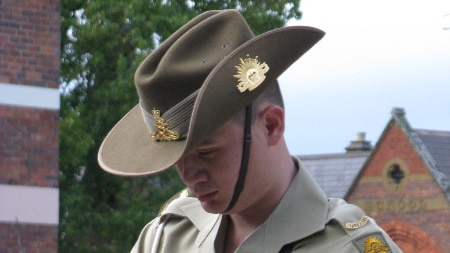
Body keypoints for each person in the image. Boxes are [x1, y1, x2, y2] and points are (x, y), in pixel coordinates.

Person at [98, 9, 402, 253]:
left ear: (271, 125)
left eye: (206, 152)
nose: (189, 175)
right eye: (177, 158)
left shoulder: (349, 247)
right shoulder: (166, 240)